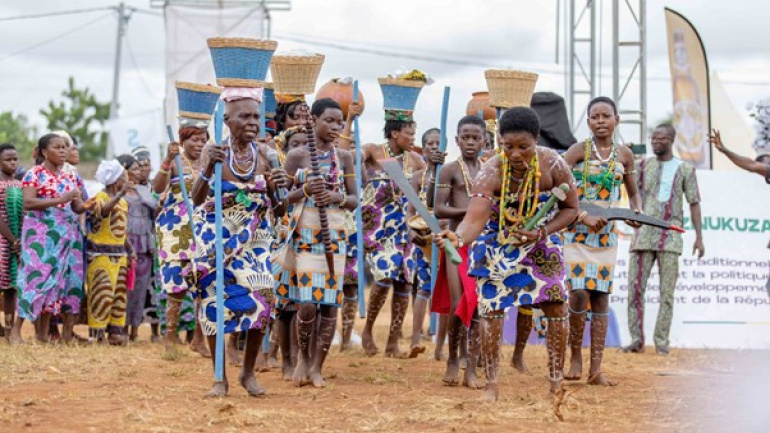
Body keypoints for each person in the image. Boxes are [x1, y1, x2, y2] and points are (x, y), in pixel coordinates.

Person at [435, 107, 579, 401]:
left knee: (556, 305)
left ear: (536, 140)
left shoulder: (553, 164)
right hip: (497, 241)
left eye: (523, 147)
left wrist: (541, 232)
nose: (514, 154)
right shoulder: (491, 171)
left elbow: (572, 209)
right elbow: (475, 218)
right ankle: (492, 385)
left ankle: (555, 381)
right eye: (507, 146)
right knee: (491, 310)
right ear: (498, 141)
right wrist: (458, 236)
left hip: (540, 241)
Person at [187, 87, 287, 397]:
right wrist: (207, 168)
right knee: (215, 302)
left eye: (257, 115)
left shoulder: (268, 155)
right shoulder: (214, 152)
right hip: (217, 235)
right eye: (244, 116)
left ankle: (247, 373)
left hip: (255, 238)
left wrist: (276, 189)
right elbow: (197, 199)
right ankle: (220, 378)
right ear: (227, 120)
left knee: (262, 301)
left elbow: (281, 210)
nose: (253, 122)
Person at [275, 98, 358, 387]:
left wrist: (335, 198)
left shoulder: (344, 157)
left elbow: (354, 199)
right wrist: (305, 189)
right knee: (308, 303)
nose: (336, 126)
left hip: (334, 235)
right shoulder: (296, 156)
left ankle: (316, 367)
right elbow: (280, 201)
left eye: (339, 121)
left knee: (330, 304)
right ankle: (301, 357)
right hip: (303, 235)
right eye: (330, 120)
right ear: (313, 119)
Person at [561, 97, 641, 385]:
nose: (600, 121)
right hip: (576, 231)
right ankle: (575, 357)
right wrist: (582, 214)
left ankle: (596, 369)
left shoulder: (625, 155)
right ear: (588, 121)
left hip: (606, 235)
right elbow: (560, 190)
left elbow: (633, 194)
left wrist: (636, 213)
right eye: (594, 116)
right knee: (579, 292)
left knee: (601, 296)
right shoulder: (575, 152)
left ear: (617, 119)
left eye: (606, 116)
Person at [623, 124, 704, 355]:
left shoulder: (685, 169)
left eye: (660, 138)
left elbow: (694, 203)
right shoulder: (641, 166)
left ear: (671, 140)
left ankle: (661, 342)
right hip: (642, 236)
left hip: (670, 238)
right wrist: (624, 155)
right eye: (653, 138)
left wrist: (699, 237)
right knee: (635, 290)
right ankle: (636, 340)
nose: (655, 142)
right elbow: (627, 185)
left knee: (667, 294)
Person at [359, 99, 426, 357]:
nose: (412, 137)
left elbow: (427, 187)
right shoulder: (375, 151)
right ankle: (368, 328)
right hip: (377, 228)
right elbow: (352, 158)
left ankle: (392, 342)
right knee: (384, 275)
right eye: (409, 133)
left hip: (405, 229)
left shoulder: (416, 161)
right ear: (395, 133)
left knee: (405, 283)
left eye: (414, 133)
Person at [11, 134, 86, 344]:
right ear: (44, 151)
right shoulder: (34, 174)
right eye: (58, 147)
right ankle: (16, 331)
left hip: (66, 234)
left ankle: (42, 335)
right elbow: (28, 202)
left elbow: (77, 206)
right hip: (40, 234)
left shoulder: (69, 177)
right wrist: (60, 199)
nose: (63, 151)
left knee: (55, 283)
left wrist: (91, 205)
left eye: (65, 147)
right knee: (36, 279)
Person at [433, 115, 486, 387]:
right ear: (456, 140)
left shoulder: (490, 171)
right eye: (465, 137)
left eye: (475, 138)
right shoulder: (449, 170)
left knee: (477, 306)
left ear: (485, 141)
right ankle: (453, 358)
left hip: (482, 247)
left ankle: (472, 365)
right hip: (456, 241)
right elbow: (439, 208)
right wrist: (474, 212)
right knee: (456, 304)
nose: (470, 142)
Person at [153, 123, 209, 358]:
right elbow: (157, 187)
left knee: (204, 286)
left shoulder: (210, 163)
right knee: (177, 287)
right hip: (176, 231)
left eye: (203, 140)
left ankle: (198, 339)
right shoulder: (176, 162)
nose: (199, 144)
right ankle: (170, 339)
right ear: (183, 141)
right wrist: (167, 160)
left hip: (203, 229)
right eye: (194, 140)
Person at [406, 127, 444, 359]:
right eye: (429, 143)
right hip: (422, 238)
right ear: (423, 148)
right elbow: (410, 209)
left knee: (445, 287)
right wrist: (411, 231)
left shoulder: (448, 173)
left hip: (444, 236)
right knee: (423, 287)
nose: (433, 147)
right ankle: (415, 339)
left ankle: (440, 341)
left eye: (438, 143)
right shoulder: (418, 177)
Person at [85, 159, 133, 345]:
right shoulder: (100, 198)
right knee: (101, 294)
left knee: (118, 296)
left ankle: (115, 332)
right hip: (100, 255)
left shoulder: (123, 203)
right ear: (117, 181)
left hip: (119, 254)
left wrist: (130, 250)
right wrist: (119, 195)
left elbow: (123, 230)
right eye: (125, 176)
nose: (128, 179)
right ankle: (97, 335)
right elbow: (102, 213)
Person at [119, 154, 160, 343]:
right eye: (134, 168)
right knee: (124, 287)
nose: (139, 171)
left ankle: (135, 329)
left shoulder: (144, 190)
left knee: (140, 288)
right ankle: (121, 328)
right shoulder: (116, 190)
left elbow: (154, 211)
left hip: (144, 244)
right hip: (124, 242)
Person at [131, 147, 162, 342]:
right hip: (136, 241)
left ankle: (155, 332)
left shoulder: (156, 187)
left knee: (154, 287)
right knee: (135, 287)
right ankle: (132, 331)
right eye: (139, 166)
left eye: (146, 166)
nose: (143, 170)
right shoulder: (130, 189)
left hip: (155, 242)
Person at [0, 144, 22, 339]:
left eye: (15, 159)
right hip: (3, 240)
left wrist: (19, 240)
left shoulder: (19, 184)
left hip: (15, 241)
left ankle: (8, 328)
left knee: (11, 287)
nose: (13, 162)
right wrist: (12, 239)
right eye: (8, 159)